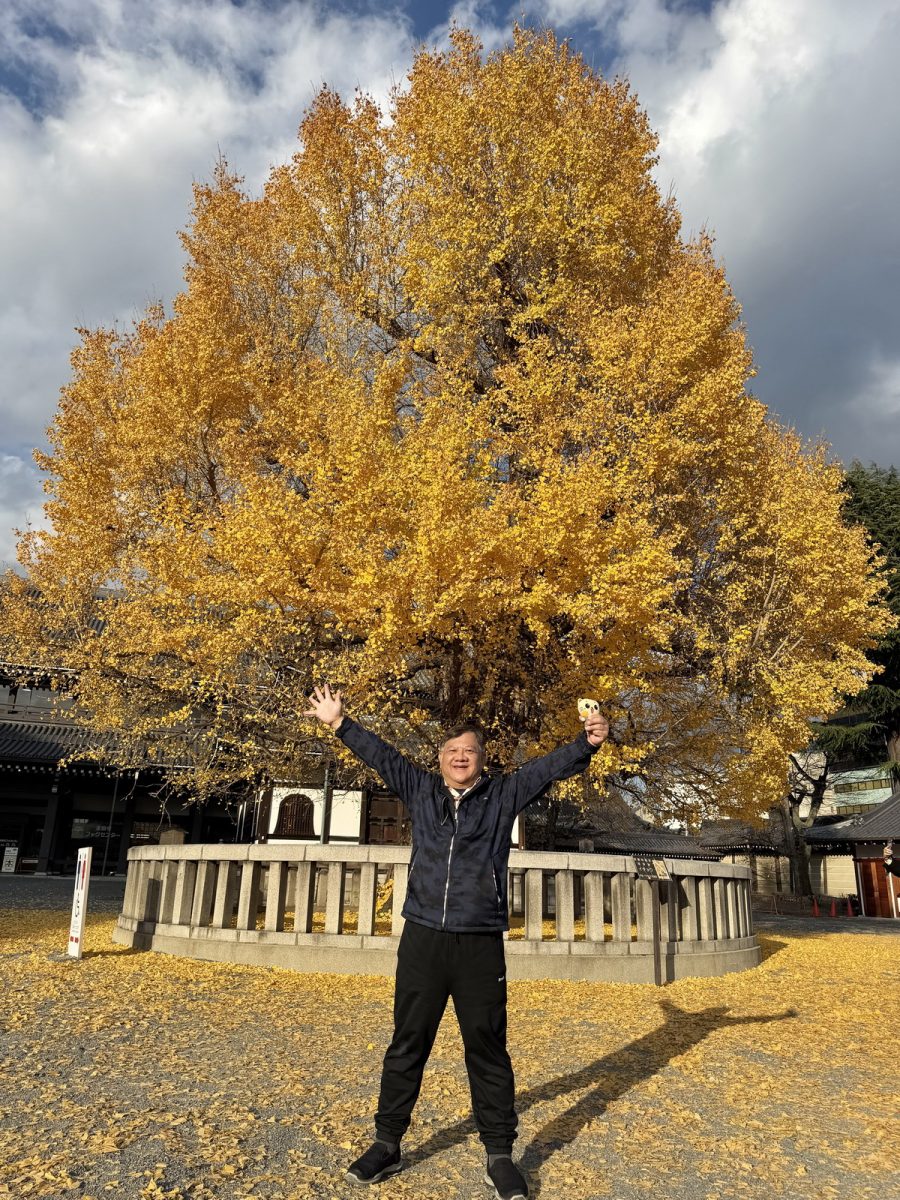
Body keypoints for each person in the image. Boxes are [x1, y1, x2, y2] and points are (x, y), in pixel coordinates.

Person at [304, 683, 609, 1200]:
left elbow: (547, 768)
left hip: (479, 941)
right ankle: (387, 1144)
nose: (459, 757)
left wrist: (587, 744)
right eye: (450, 751)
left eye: (468, 750)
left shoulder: (504, 795)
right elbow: (381, 755)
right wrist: (339, 723)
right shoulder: (420, 790)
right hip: (423, 937)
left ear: (481, 760)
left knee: (487, 1048)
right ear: (440, 759)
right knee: (407, 1042)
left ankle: (499, 1155)